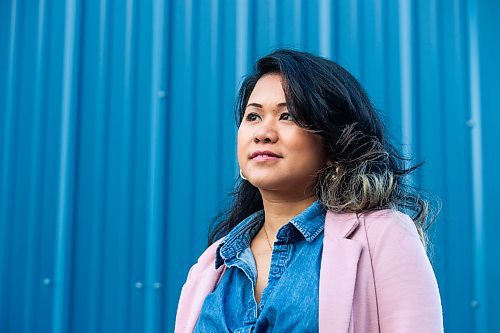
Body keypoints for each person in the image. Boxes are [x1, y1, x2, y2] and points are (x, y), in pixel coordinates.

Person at [175, 49, 443, 332]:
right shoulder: (212, 266)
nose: (263, 132)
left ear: (334, 142)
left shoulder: (382, 236)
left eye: (287, 115)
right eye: (253, 116)